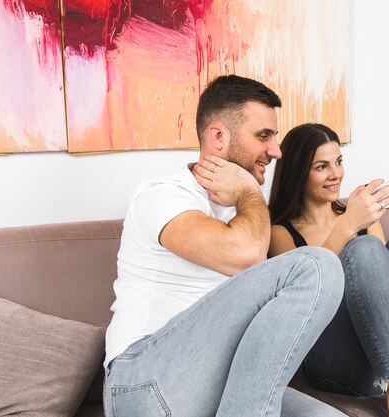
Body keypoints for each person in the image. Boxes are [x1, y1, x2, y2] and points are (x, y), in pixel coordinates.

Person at [103, 76, 347, 417]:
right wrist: (250, 193)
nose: (276, 150)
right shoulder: (163, 195)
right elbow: (245, 257)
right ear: (218, 136)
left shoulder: (244, 213)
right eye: (264, 136)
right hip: (146, 382)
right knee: (316, 266)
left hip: (221, 384)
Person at [268, 123, 389, 417]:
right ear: (297, 172)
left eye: (339, 162)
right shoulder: (280, 233)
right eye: (322, 166)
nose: (336, 174)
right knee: (364, 249)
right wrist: (349, 225)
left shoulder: (363, 218)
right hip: (333, 359)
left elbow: (384, 290)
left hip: (386, 352)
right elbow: (304, 292)